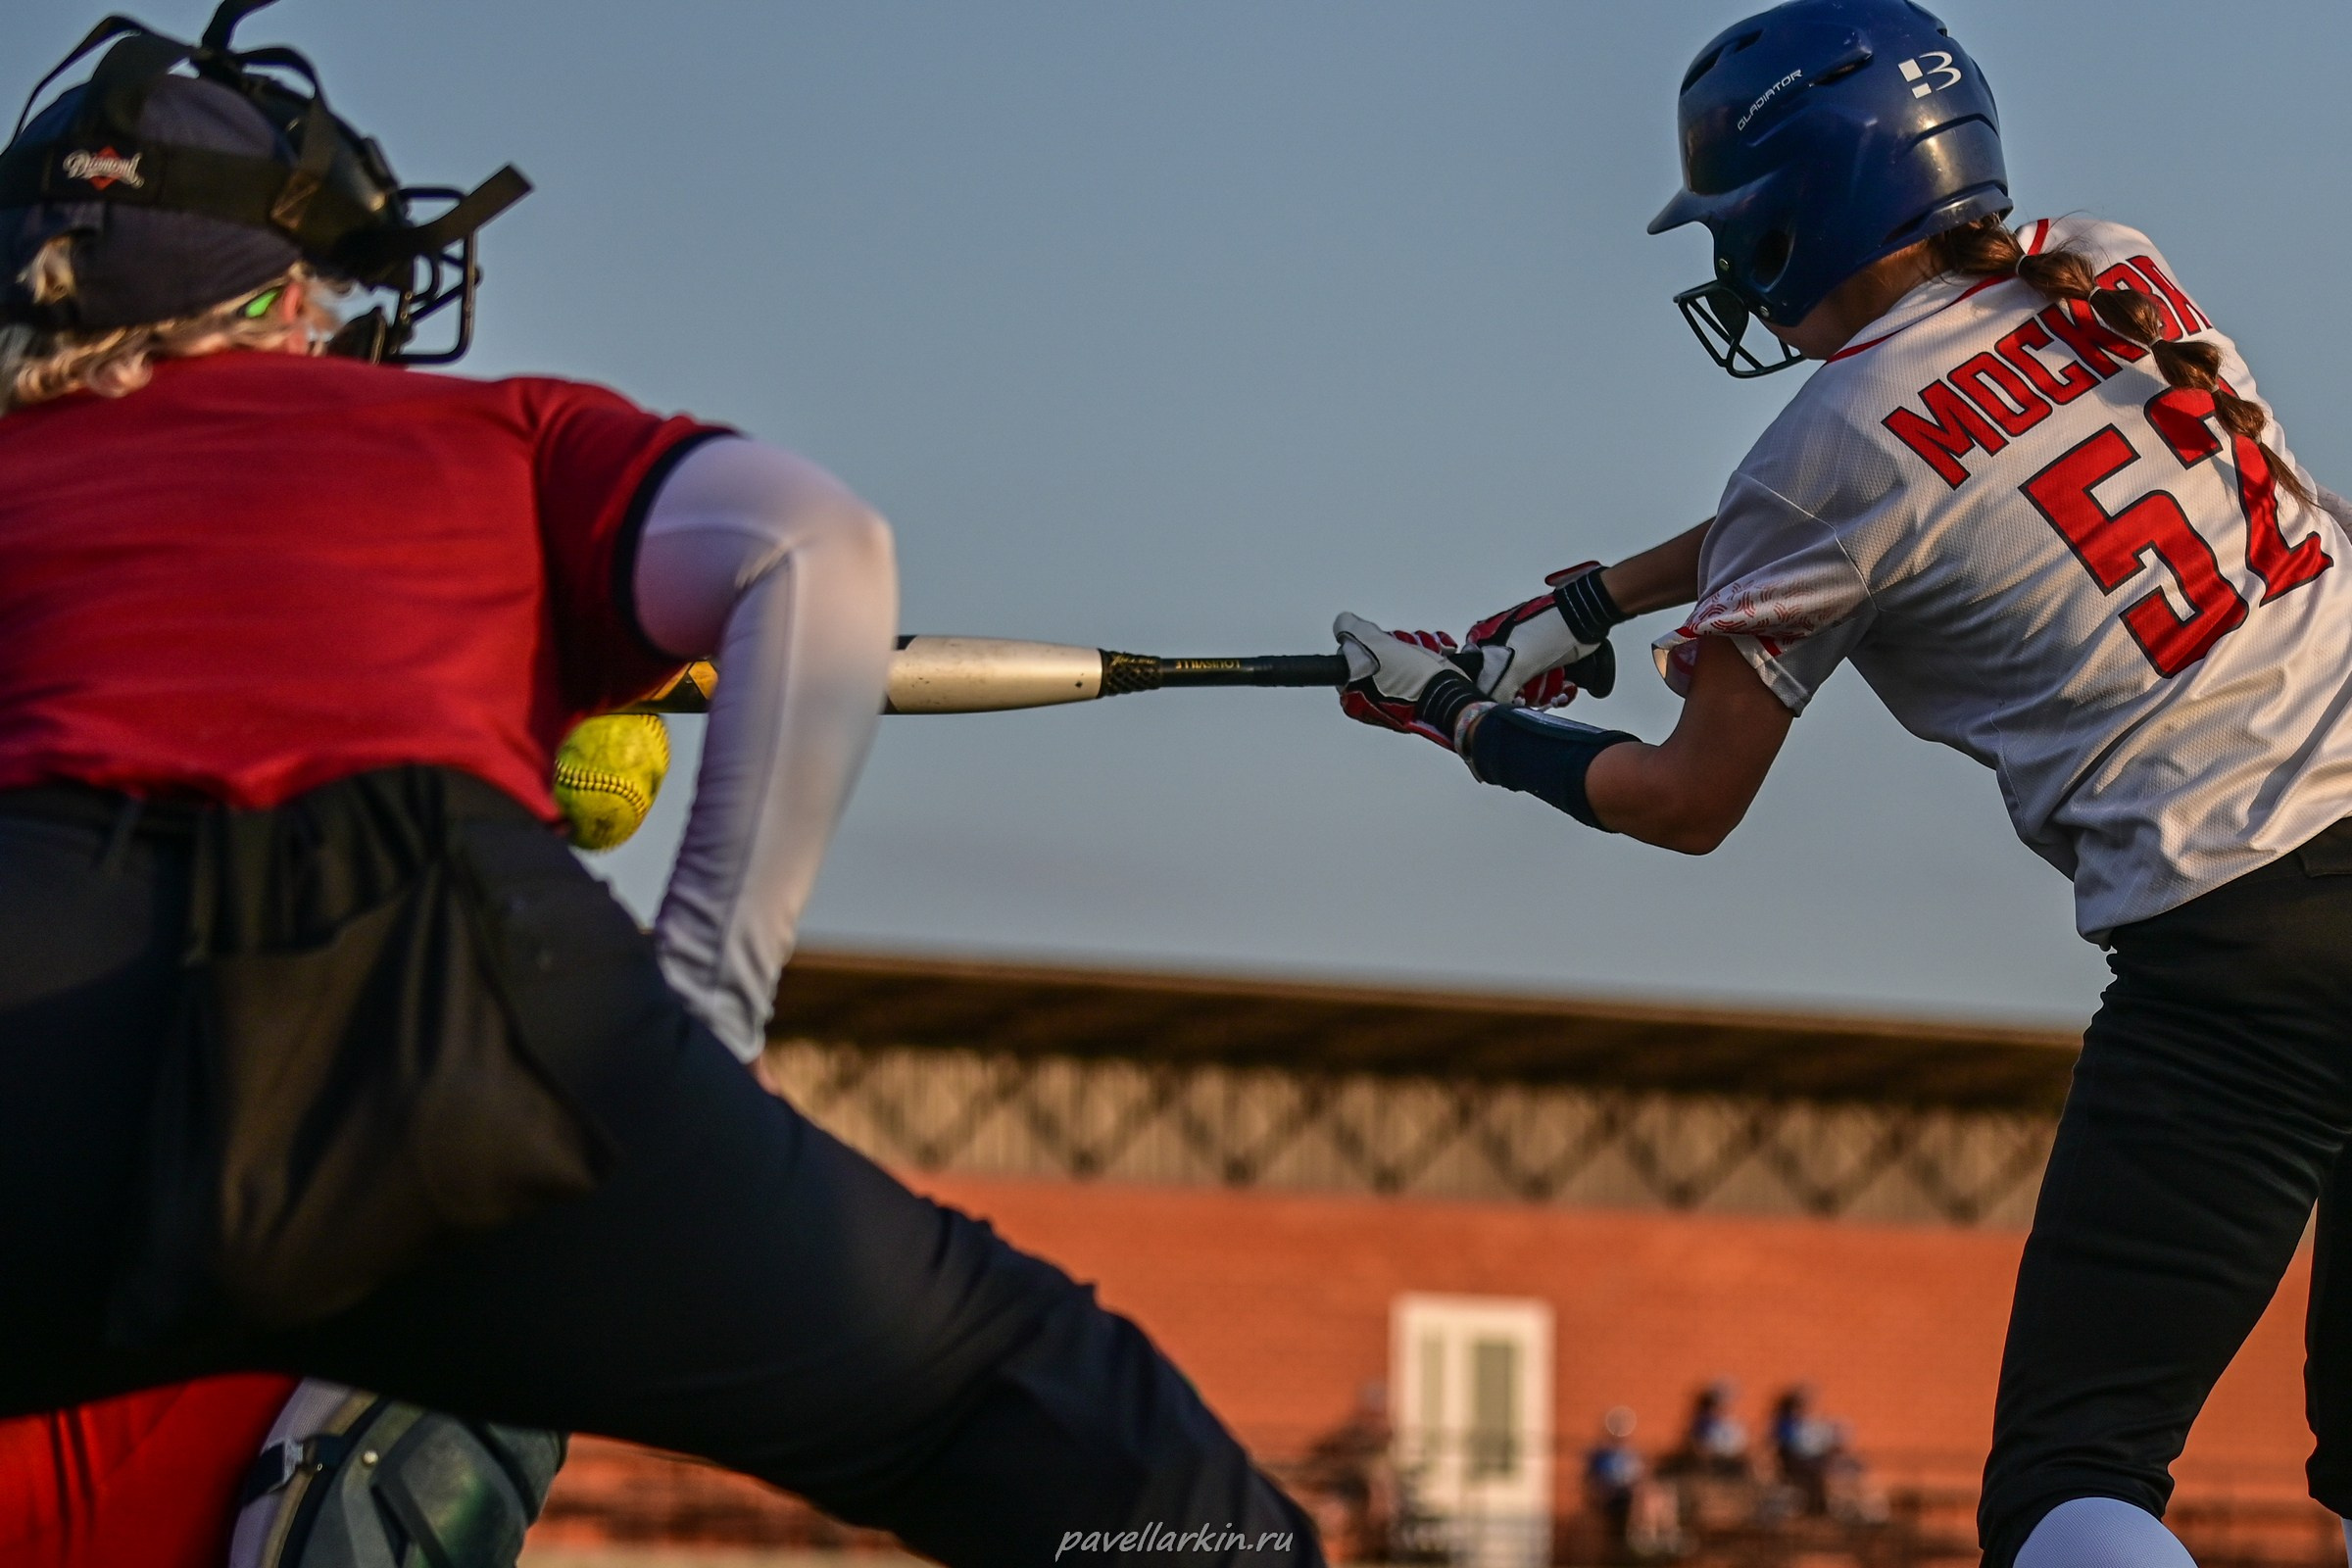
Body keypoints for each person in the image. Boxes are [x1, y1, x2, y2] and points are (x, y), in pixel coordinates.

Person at [0, 6, 1316, 1567]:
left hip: (36, 959)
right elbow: (812, 548)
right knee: (1017, 1399)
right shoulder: (482, 430)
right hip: (440, 959)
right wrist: (706, 1000)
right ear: (287, 295)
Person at [1332, 4, 2352, 1567]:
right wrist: (1596, 602)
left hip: (2249, 938)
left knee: (2075, 1481)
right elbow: (1886, 494)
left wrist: (1470, 723)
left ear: (1795, 213)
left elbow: (1689, 797)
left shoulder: (1825, 451)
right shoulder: (2105, 260)